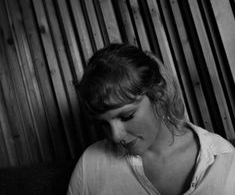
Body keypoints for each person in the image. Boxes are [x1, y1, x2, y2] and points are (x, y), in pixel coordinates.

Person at [67, 43, 235, 195]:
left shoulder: (224, 160)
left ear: (158, 94)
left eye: (127, 116)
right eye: (103, 123)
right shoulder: (90, 165)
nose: (116, 136)